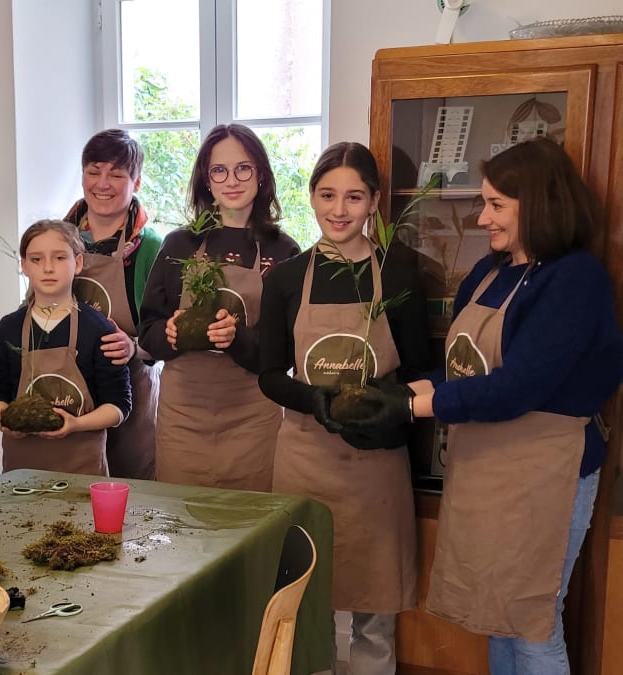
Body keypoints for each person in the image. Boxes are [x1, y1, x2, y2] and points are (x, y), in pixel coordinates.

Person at [340, 138, 623, 674]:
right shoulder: (491, 272)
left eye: (496, 205)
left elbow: (518, 387)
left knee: (533, 620)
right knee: (497, 613)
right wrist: (397, 392)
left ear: (538, 204)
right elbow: (462, 369)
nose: (482, 218)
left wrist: (412, 408)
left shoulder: (574, 279)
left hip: (546, 469)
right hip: (487, 463)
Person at [257, 141, 429, 673]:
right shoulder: (287, 278)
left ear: (374, 201)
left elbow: (422, 372)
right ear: (311, 197)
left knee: (375, 615)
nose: (339, 209)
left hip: (376, 466)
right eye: (327, 194)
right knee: (312, 612)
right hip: (305, 460)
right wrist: (317, 400)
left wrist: (390, 413)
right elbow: (269, 375)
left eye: (354, 197)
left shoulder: (399, 274)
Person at [138, 124, 300, 491]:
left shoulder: (283, 250)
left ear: (261, 174)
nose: (232, 180)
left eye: (243, 168)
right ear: (206, 180)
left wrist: (236, 338)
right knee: (182, 515)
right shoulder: (178, 244)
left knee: (251, 518)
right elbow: (147, 331)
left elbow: (286, 352)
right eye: (219, 170)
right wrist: (170, 334)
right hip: (183, 418)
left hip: (254, 419)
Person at [0, 219, 132, 475]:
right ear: (24, 266)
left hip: (82, 468)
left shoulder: (97, 329)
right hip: (21, 473)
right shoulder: (8, 328)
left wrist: (76, 424)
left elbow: (119, 405)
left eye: (60, 258)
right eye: (36, 259)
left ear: (78, 263)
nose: (48, 268)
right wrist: (6, 417)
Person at [64, 129, 162, 480]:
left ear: (136, 183)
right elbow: (35, 308)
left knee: (132, 492)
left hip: (131, 392)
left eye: (117, 174)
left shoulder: (151, 248)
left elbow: (167, 334)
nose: (103, 184)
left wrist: (133, 346)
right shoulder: (58, 239)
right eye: (94, 171)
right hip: (68, 390)